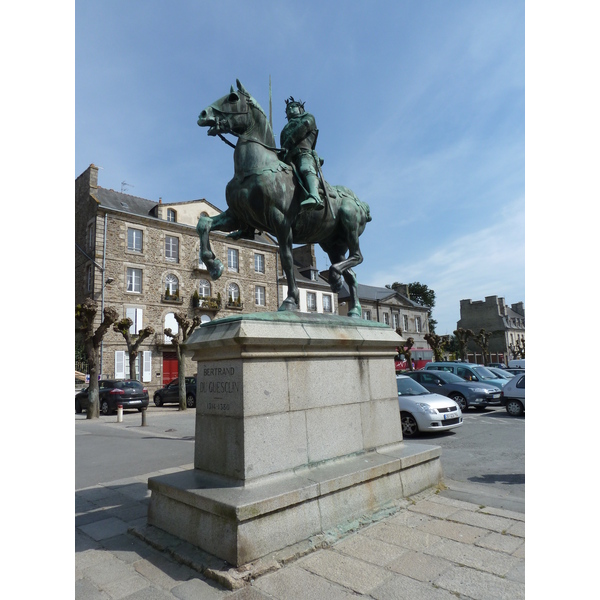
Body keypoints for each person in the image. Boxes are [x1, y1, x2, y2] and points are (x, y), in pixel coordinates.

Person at [279, 97, 324, 211]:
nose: (290, 109)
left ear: (301, 109)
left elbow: (304, 126)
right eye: (288, 108)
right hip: (288, 159)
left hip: (304, 153)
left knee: (305, 167)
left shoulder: (308, 118)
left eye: (293, 107)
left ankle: (315, 196)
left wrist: (288, 142)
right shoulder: (284, 130)